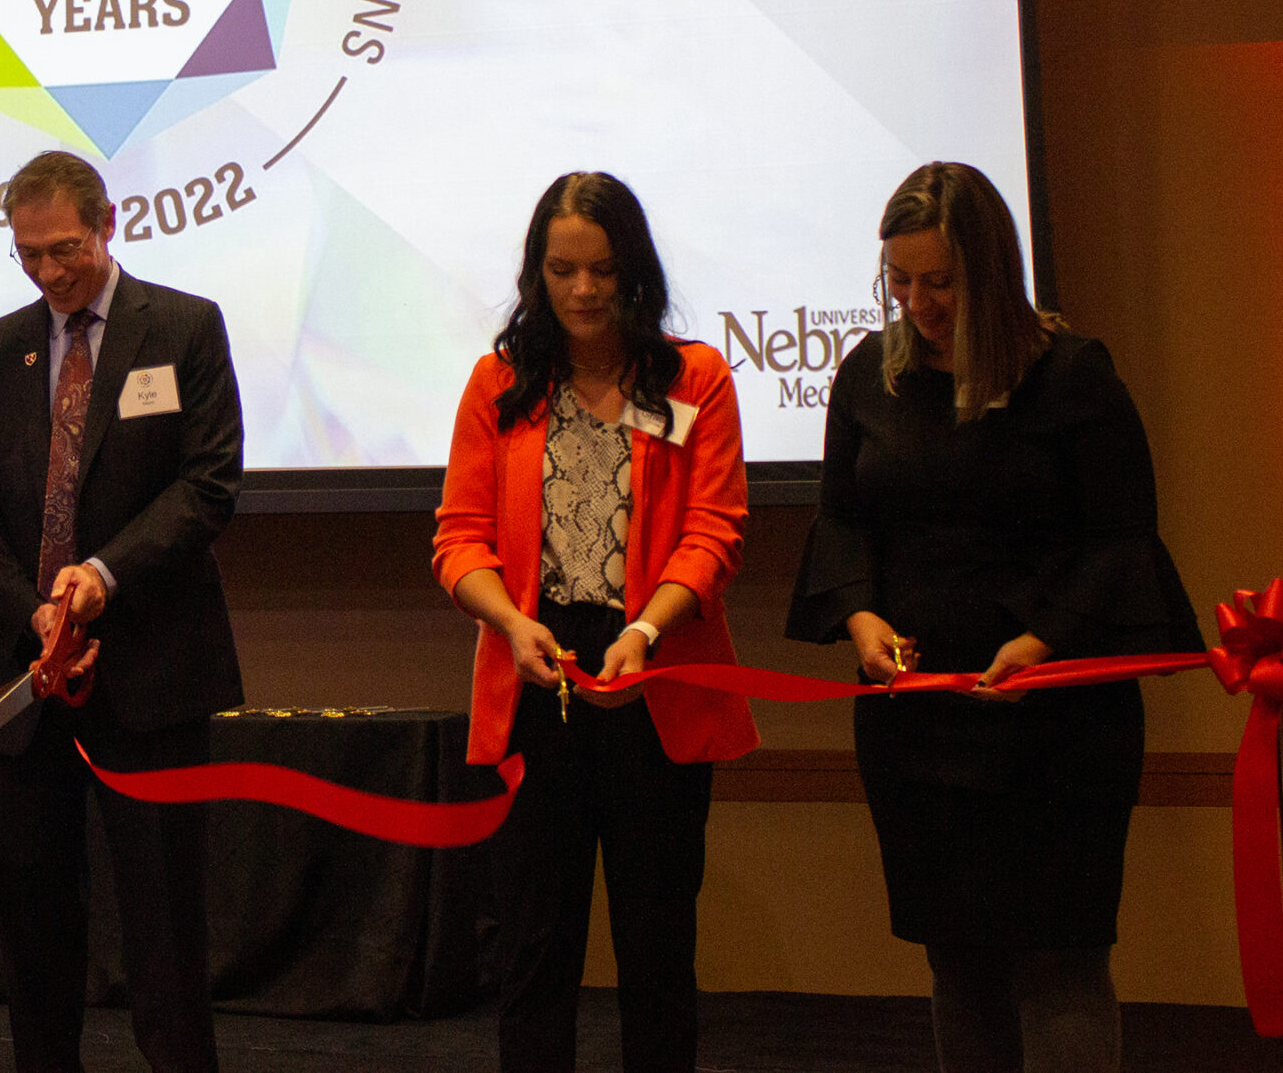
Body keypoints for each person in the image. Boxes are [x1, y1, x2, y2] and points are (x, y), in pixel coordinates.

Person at [786, 162, 1201, 1073]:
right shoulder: (868, 374)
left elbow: (1123, 537)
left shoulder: (1075, 376)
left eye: (941, 281)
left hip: (1056, 723)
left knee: (1061, 964)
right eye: (900, 280)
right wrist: (860, 621)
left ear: (994, 271)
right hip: (921, 722)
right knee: (959, 963)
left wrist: (1042, 638)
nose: (919, 302)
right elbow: (844, 518)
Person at [430, 171, 758, 1073]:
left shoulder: (694, 377)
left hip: (653, 681)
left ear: (634, 271)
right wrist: (509, 622)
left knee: (658, 954)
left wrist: (645, 634)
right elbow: (458, 540)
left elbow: (714, 531)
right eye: (563, 269)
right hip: (537, 684)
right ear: (536, 272)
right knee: (535, 953)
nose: (582, 290)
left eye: (603, 269)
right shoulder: (498, 384)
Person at [0, 149, 244, 1073]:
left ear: (108, 223)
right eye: (28, 255)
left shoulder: (185, 327)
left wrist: (104, 576)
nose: (47, 272)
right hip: (28, 681)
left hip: (153, 674)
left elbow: (209, 482)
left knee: (161, 922)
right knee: (34, 921)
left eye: (64, 250)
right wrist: (35, 611)